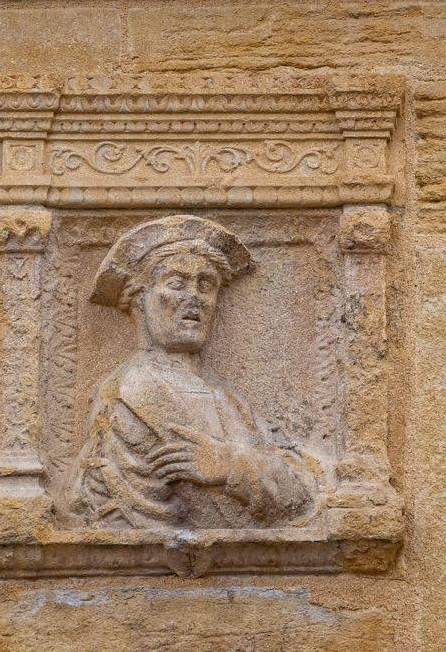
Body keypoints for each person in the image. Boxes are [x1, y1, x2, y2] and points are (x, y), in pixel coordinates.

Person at [69, 215, 319, 529]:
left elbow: (300, 493)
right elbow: (132, 519)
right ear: (138, 299)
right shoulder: (130, 394)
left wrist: (228, 467)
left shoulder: (228, 396)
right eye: (176, 283)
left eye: (206, 285)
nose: (194, 299)